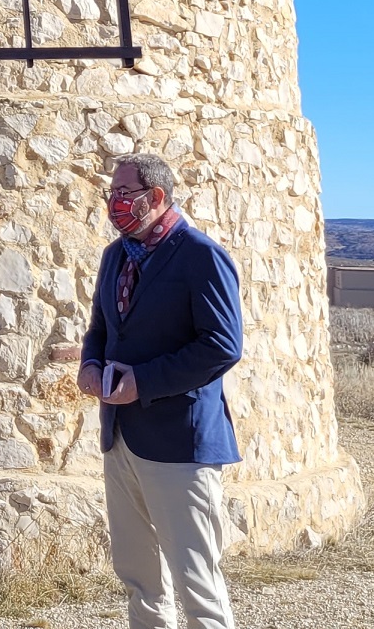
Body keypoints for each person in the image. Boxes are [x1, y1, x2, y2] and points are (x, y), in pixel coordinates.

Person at [79, 154, 244, 629]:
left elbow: (222, 345)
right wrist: (91, 365)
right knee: (140, 579)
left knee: (197, 584)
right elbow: (101, 329)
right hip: (122, 439)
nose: (113, 204)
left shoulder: (200, 255)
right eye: (110, 194)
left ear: (156, 197)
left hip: (180, 443)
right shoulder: (116, 256)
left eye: (122, 194)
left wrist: (143, 382)